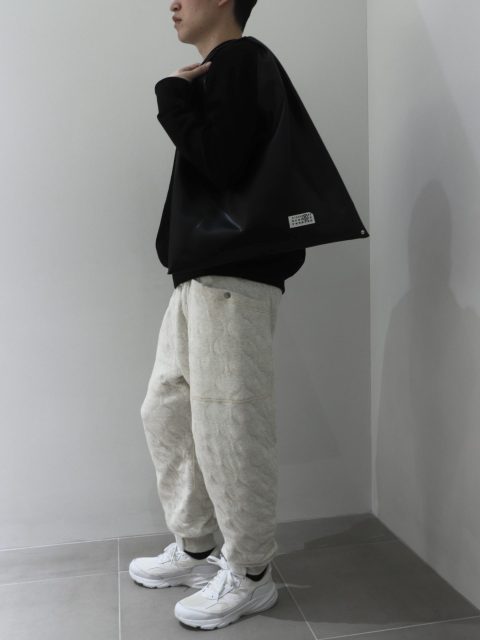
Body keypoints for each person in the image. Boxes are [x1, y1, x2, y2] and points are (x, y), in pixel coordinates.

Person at [129, 0, 306, 631]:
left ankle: (251, 573)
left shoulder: (241, 59)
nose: (172, 3)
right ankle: (197, 548)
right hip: (201, 278)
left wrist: (170, 97)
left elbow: (222, 161)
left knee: (230, 422)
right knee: (168, 410)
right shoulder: (223, 70)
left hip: (233, 277)